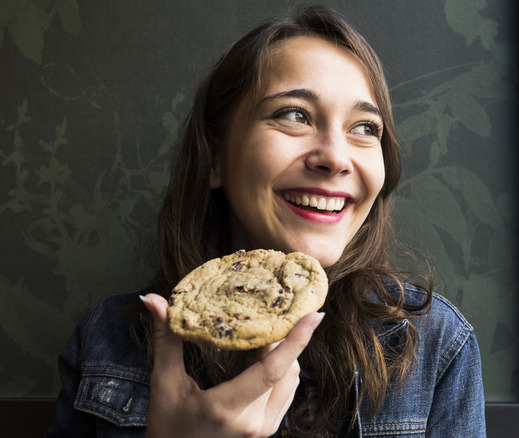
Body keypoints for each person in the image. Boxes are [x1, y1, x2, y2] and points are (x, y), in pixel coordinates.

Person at [45, 6, 486, 438]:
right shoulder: (107, 340)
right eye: (294, 115)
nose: (335, 157)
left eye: (365, 127)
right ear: (215, 156)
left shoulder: (435, 346)